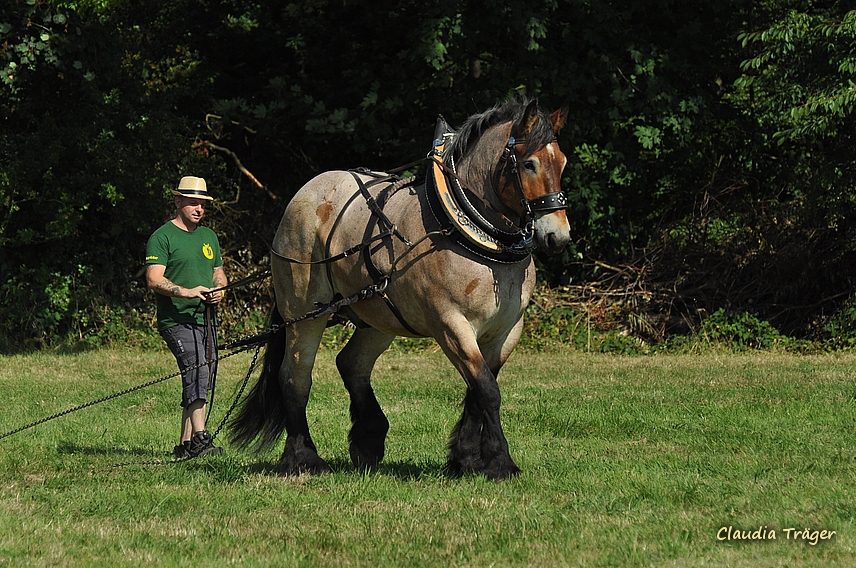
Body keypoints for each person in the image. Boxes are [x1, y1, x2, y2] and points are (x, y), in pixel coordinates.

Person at [145, 175, 228, 458]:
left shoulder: (209, 237)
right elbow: (154, 280)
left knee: (204, 376)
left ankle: (185, 445)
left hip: (206, 320)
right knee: (197, 371)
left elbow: (219, 272)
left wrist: (219, 289)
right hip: (177, 319)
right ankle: (202, 439)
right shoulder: (162, 237)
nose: (199, 208)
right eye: (193, 203)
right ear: (178, 201)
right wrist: (187, 292)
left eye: (202, 204)